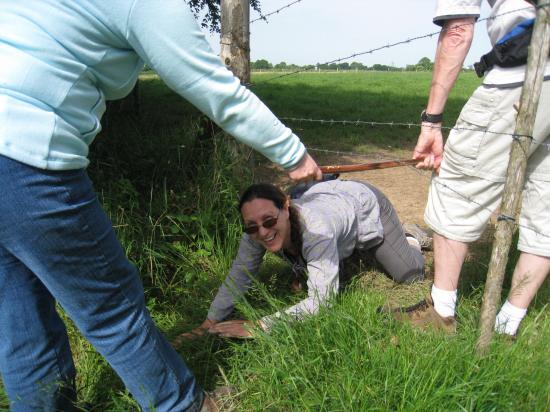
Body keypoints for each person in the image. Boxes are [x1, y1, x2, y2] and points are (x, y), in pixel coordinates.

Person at [0, 1, 322, 411]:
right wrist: (293, 153)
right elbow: (213, 87)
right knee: (113, 308)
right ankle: (184, 404)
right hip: (26, 159)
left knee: (19, 313)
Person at [395, 0, 550, 337]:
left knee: (457, 188)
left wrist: (432, 121)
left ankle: (440, 313)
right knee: (546, 209)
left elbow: (458, 30)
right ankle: (509, 324)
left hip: (523, 76)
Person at [182, 179, 429, 340]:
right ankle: (348, 252)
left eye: (269, 221)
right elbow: (240, 275)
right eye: (252, 227)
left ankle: (409, 235)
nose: (263, 232)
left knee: (410, 274)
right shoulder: (254, 234)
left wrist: (260, 326)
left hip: (362, 202)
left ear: (286, 207)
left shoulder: (316, 228)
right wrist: (209, 322)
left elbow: (322, 303)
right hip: (328, 203)